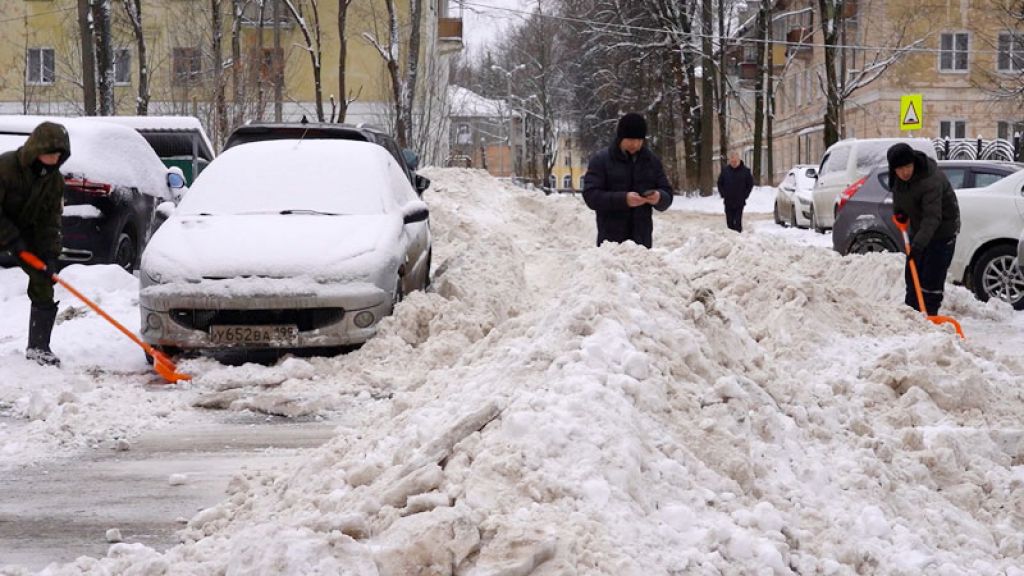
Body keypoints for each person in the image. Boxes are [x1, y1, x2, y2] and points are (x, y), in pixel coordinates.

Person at [0, 121, 71, 366]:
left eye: (57, 156)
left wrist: (50, 255)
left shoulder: (54, 181)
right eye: (49, 154)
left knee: (42, 279)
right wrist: (11, 239)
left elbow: (50, 221)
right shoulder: (6, 167)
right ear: (35, 150)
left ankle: (39, 346)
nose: (53, 160)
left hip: (25, 231)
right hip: (6, 226)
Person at [887, 142, 960, 316]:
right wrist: (899, 214)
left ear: (913, 163)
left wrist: (918, 246)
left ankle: (929, 317)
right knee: (912, 275)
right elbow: (899, 199)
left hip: (943, 231)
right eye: (899, 169)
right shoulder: (897, 179)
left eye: (907, 166)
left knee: (931, 279)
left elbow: (932, 217)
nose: (904, 172)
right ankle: (912, 315)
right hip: (920, 230)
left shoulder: (930, 180)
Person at [582, 113, 673, 248]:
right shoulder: (601, 160)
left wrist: (659, 197)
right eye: (630, 139)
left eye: (639, 140)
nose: (635, 144)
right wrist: (623, 199)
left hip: (642, 244)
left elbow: (667, 194)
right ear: (620, 138)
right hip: (610, 243)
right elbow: (591, 196)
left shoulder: (651, 161)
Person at [716, 151, 754, 232]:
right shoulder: (725, 171)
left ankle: (738, 238)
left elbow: (750, 184)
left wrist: (745, 195)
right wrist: (723, 194)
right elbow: (720, 183)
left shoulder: (745, 171)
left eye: (735, 161)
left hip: (739, 201)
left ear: (739, 160)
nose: (733, 163)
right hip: (728, 200)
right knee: (729, 222)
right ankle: (731, 239)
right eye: (732, 161)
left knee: (737, 222)